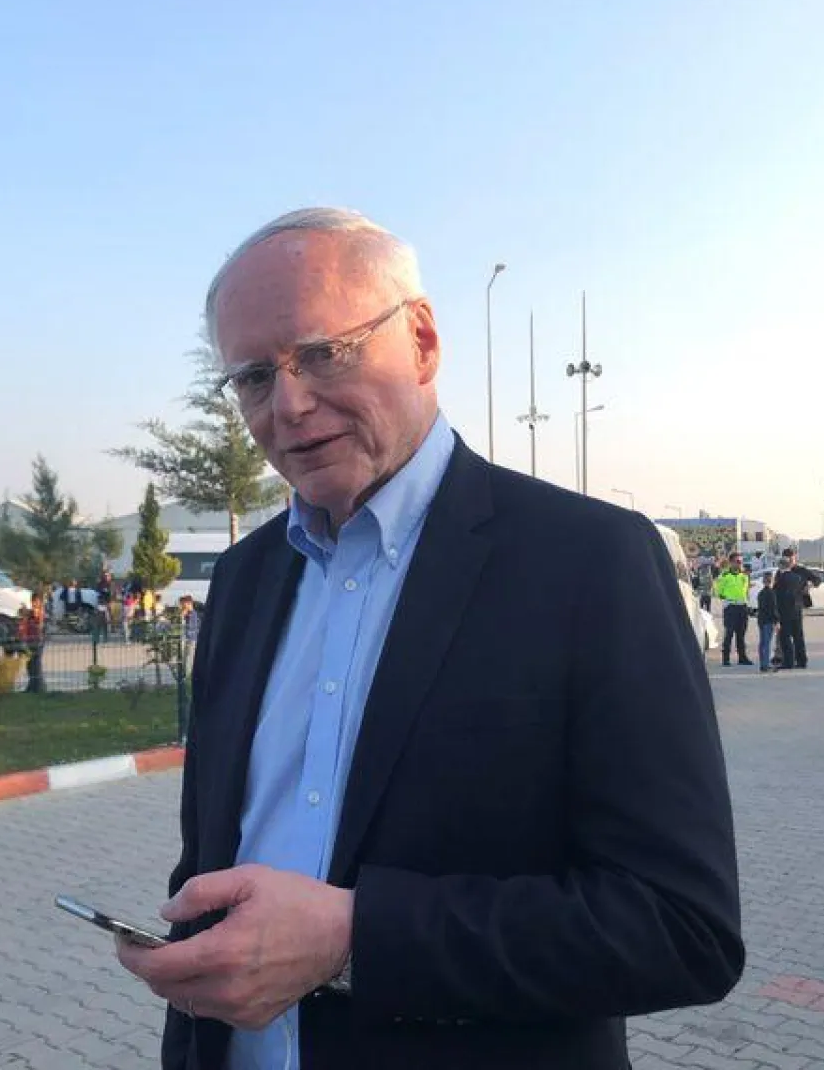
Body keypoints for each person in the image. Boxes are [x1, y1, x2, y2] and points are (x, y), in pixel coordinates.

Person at [115, 208, 742, 1069]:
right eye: (255, 377)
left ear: (422, 340)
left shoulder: (589, 563)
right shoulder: (244, 581)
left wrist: (353, 938)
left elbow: (680, 926)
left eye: (322, 353)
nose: (289, 405)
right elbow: (212, 859)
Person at [773, 550, 820, 670]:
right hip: (789, 607)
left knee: (793, 635)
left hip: (795, 606)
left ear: (795, 558)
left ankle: (798, 660)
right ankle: (782, 657)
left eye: (791, 558)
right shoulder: (780, 573)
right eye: (787, 558)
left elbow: (817, 580)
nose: (790, 560)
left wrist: (808, 586)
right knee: (783, 635)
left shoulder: (801, 571)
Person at [715, 554, 753, 666]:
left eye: (741, 561)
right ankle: (725, 658)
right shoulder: (725, 576)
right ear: (731, 562)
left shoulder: (744, 576)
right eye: (737, 561)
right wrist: (727, 598)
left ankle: (742, 657)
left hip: (742, 607)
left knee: (741, 634)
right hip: (731, 607)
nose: (739, 564)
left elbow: (746, 591)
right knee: (729, 633)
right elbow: (719, 591)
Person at [21, 592, 47, 693]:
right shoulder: (31, 612)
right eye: (33, 601)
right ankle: (32, 686)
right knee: (30, 665)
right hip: (29, 640)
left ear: (40, 602)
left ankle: (39, 687)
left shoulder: (39, 612)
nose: (34, 603)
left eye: (37, 601)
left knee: (36, 665)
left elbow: (38, 619)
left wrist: (27, 612)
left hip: (37, 641)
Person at [755, 571, 780, 673]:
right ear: (771, 581)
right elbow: (773, 608)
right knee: (767, 643)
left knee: (762, 643)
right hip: (768, 620)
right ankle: (765, 664)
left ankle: (762, 663)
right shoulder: (771, 593)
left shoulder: (761, 593)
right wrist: (777, 621)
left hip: (761, 620)